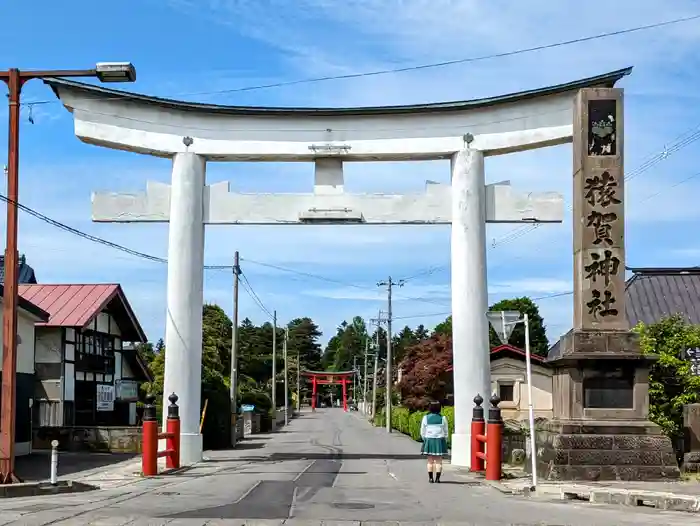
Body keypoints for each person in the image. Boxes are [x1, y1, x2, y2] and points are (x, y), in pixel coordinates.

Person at [420, 401, 449, 483]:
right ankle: (437, 479)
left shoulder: (426, 417)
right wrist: (445, 439)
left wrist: (424, 438)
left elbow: (422, 431)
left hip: (429, 439)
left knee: (430, 461)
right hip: (440, 440)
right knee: (439, 461)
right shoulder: (443, 418)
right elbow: (446, 431)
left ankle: (430, 478)